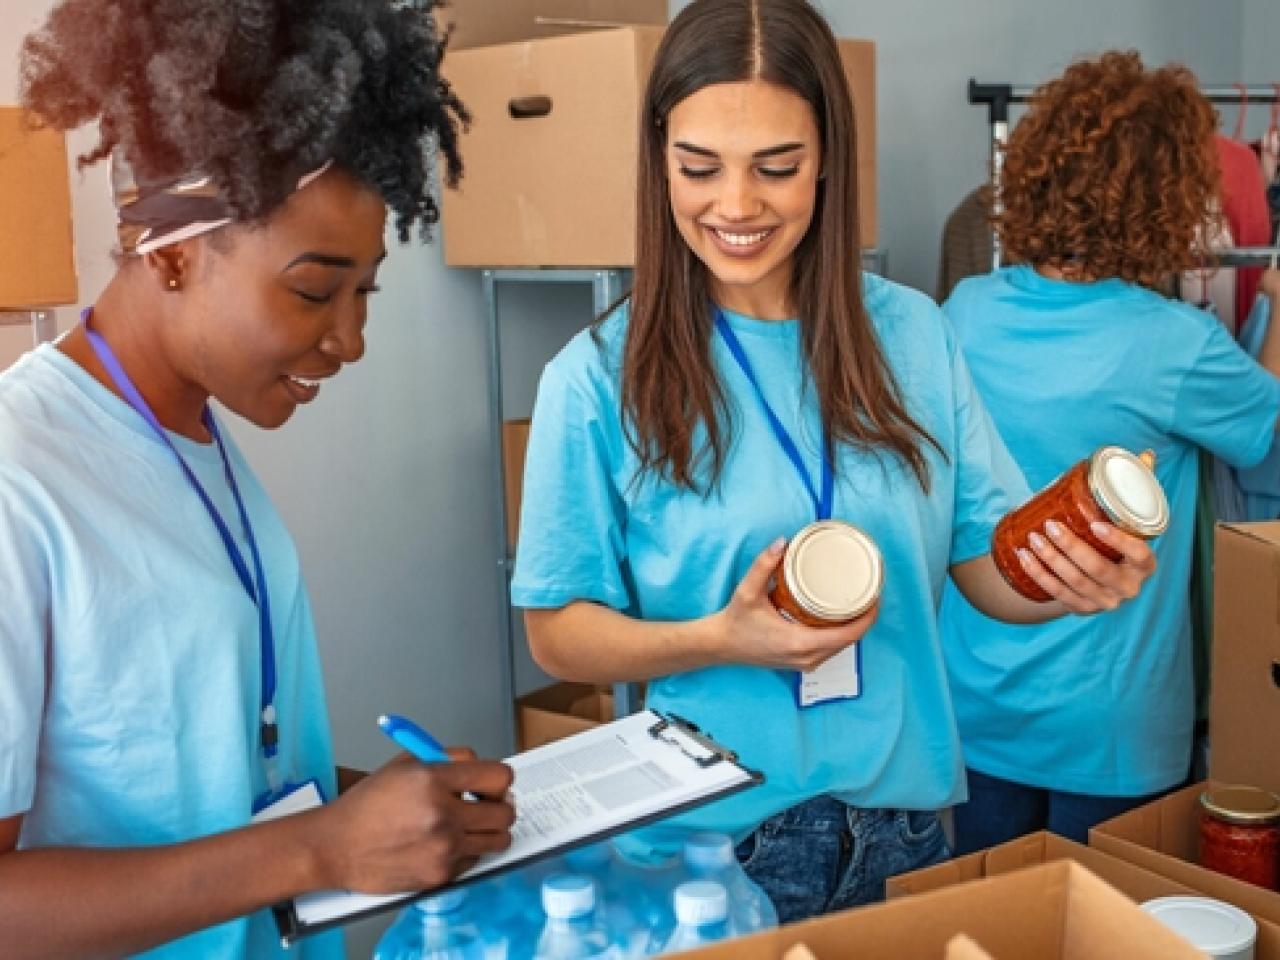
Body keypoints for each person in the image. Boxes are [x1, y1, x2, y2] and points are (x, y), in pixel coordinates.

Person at [510, 0, 1156, 925]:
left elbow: (988, 571)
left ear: (828, 160)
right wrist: (718, 638)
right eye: (700, 168)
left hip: (910, 830)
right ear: (660, 162)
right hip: (712, 847)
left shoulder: (915, 336)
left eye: (777, 167)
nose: (735, 206)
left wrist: (1074, 571)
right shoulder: (595, 378)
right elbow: (556, 629)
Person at [0, 1, 515, 957]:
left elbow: (186, 778)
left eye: (364, 293)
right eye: (315, 290)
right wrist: (318, 850)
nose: (351, 340)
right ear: (174, 250)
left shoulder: (188, 431)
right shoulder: (17, 480)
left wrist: (381, 812)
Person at [938, 52, 1280, 854]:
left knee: (983, 930)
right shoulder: (1174, 343)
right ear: (1168, 200)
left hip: (978, 700)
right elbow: (1269, 430)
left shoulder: (965, 310)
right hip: (1113, 723)